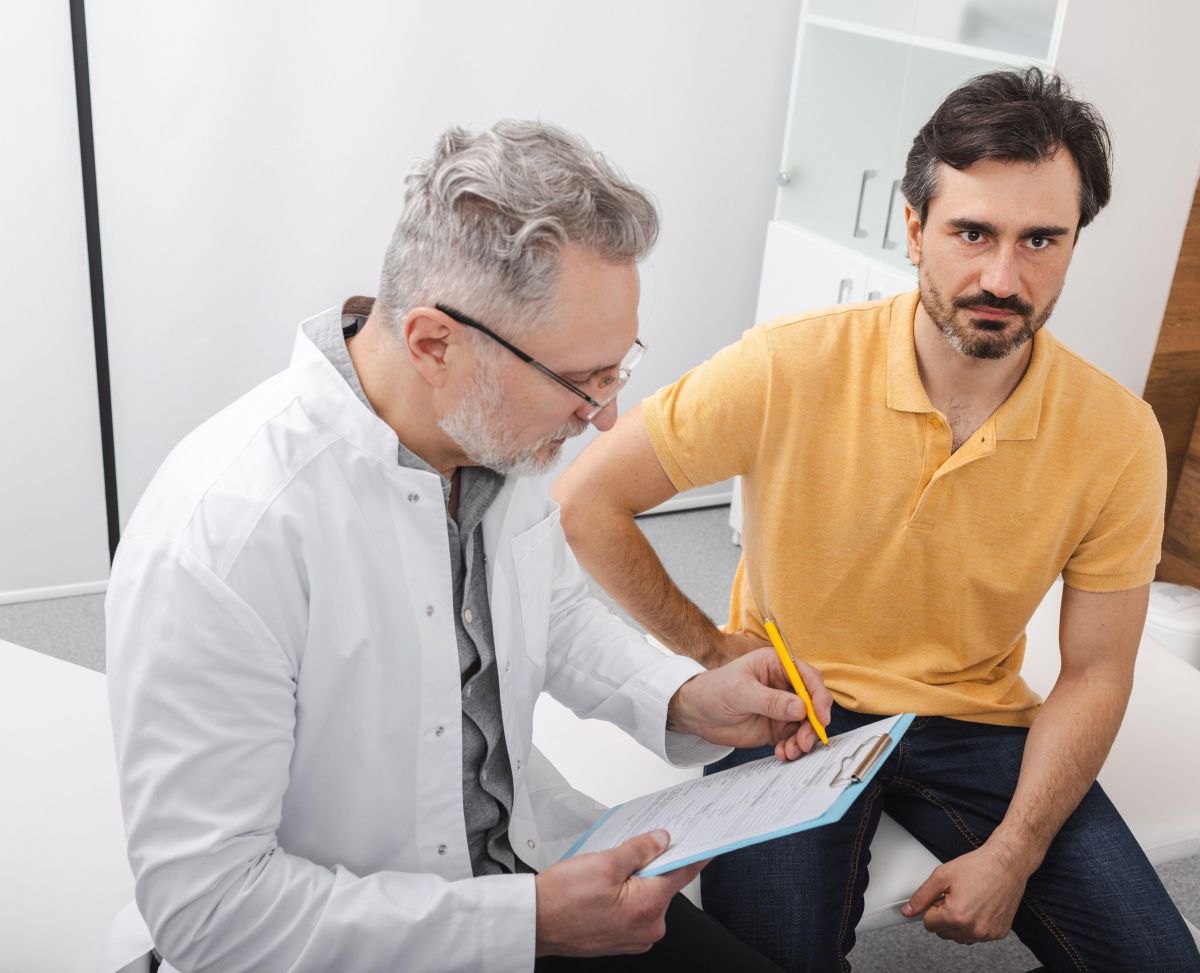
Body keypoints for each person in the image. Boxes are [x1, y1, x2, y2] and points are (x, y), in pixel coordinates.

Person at [102, 120, 834, 973]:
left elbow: (551, 613)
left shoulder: (488, 435)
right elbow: (213, 914)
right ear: (433, 343)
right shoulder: (226, 534)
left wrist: (683, 696)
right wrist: (524, 923)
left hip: (525, 874)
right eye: (580, 380)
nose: (604, 416)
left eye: (617, 370)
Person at [554, 68, 1200, 971]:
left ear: (1072, 243)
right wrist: (712, 648)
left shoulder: (1118, 435)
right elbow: (587, 498)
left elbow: (1096, 670)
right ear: (914, 228)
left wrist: (1015, 850)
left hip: (977, 719)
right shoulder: (788, 365)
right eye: (971, 232)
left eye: (1040, 240)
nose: (1002, 276)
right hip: (797, 710)